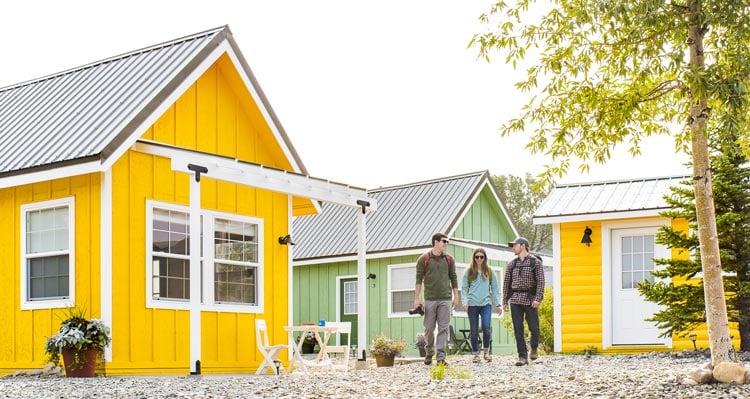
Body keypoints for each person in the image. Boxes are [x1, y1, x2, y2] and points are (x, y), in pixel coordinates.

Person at [414, 232, 459, 366]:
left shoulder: (449, 259)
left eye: (447, 242)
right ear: (436, 242)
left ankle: (440, 357)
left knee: (443, 328)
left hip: (445, 298)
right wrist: (417, 298)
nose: (446, 244)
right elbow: (418, 280)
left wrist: (456, 296)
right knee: (428, 328)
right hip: (430, 299)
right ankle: (429, 352)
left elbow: (454, 277)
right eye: (444, 241)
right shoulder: (424, 259)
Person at [503, 237, 545, 366]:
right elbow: (506, 283)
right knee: (518, 329)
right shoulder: (512, 264)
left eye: (514, 245)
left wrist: (538, 298)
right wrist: (505, 300)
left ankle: (533, 348)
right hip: (515, 299)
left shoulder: (535, 262)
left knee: (534, 327)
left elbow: (541, 282)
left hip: (531, 298)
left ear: (523, 246)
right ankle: (522, 356)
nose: (513, 248)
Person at [461, 247, 502, 363]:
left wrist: (498, 304)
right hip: (472, 304)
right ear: (474, 258)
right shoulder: (468, 271)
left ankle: (486, 352)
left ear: (485, 258)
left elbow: (495, 288)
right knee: (473, 330)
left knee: (486, 327)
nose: (479, 259)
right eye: (477, 257)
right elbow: (464, 288)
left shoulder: (489, 271)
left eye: (481, 257)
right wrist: (464, 302)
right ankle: (475, 354)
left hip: (486, 304)